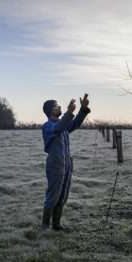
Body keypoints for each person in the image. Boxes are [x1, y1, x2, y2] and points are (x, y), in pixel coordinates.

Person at [41, 94, 91, 231]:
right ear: (50, 110)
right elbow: (58, 128)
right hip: (55, 165)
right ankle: (45, 227)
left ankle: (56, 225)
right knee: (53, 196)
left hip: (66, 165)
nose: (60, 107)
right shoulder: (48, 126)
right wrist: (69, 112)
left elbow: (74, 124)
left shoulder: (62, 125)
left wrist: (83, 109)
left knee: (63, 195)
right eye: (57, 106)